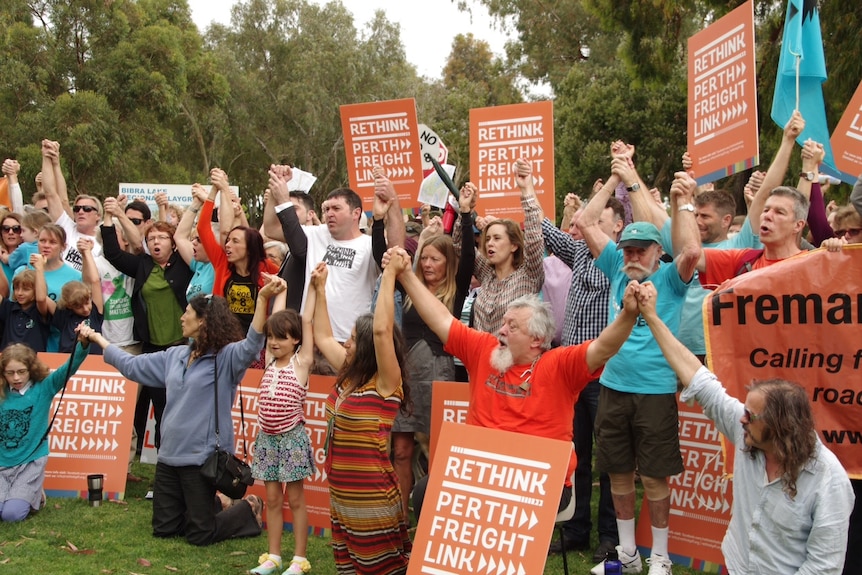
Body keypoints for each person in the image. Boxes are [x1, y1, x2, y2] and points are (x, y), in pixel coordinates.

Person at [384, 246, 641, 525]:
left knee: (496, 504)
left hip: (538, 480)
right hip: (481, 473)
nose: (501, 331)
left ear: (536, 339)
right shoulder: (485, 349)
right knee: (426, 492)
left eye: (512, 327)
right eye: (504, 323)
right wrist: (407, 275)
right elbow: (441, 319)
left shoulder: (560, 365)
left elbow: (604, 348)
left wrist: (628, 314)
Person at [636, 281, 854, 574]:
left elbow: (823, 567)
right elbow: (699, 378)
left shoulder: (829, 481)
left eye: (751, 416)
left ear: (780, 427)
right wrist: (650, 316)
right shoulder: (747, 433)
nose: (741, 420)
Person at [80, 274, 287, 546]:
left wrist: (262, 299)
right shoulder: (174, 356)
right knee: (164, 529)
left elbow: (251, 345)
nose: (181, 317)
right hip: (169, 457)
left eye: (187, 312)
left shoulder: (225, 360)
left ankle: (247, 509)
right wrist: (98, 339)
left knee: (200, 534)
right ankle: (209, 506)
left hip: (201, 460)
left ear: (202, 321)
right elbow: (132, 367)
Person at [578, 166, 700, 575]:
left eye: (641, 250)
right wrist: (614, 180)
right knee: (617, 474)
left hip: (655, 390)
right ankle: (628, 555)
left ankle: (660, 556)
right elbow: (584, 221)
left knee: (654, 477)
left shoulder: (671, 277)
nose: (632, 256)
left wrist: (682, 202)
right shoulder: (614, 265)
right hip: (612, 386)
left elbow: (692, 251)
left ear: (656, 251)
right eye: (628, 249)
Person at [371, 173, 475, 519]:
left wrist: (466, 214)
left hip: (440, 374)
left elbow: (470, 259)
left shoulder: (456, 290)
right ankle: (401, 518)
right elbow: (380, 255)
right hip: (406, 377)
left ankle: (433, 515)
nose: (428, 265)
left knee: (434, 450)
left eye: (435, 259)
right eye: (424, 259)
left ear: (448, 263)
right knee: (400, 451)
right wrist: (377, 220)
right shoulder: (408, 286)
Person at [310, 260, 411, 575]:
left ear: (368, 347)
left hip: (373, 498)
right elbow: (323, 337)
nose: (346, 343)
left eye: (353, 338)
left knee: (380, 569)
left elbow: (382, 329)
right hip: (342, 494)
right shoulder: (348, 373)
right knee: (350, 568)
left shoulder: (386, 384)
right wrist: (320, 289)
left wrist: (390, 274)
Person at [541, 195, 624, 561]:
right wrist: (527, 189)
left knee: (607, 461)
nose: (587, 224)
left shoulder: (620, 261)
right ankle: (575, 530)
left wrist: (619, 178)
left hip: (607, 376)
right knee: (575, 458)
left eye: (599, 219)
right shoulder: (578, 253)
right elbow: (545, 229)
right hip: (572, 377)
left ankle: (609, 536)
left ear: (618, 225)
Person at [248, 306, 316, 575]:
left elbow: (307, 320)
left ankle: (299, 559)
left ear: (296, 340)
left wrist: (315, 287)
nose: (274, 343)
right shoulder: (269, 361)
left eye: (282, 337)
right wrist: (280, 286)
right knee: (273, 499)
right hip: (267, 441)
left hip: (292, 440)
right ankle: (273, 556)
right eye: (271, 338)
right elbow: (274, 313)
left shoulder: (302, 363)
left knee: (296, 499)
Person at [0, 329, 90, 521]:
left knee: (11, 515)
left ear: (30, 369)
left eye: (21, 372)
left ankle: (35, 495)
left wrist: (82, 344)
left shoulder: (45, 386)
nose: (16, 378)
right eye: (10, 373)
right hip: (2, 463)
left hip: (29, 462)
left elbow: (69, 368)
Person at [453, 157, 544, 334]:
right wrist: (465, 210)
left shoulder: (529, 275)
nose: (489, 243)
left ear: (514, 246)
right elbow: (459, 246)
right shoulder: (487, 273)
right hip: (481, 357)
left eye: (497, 238)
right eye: (487, 239)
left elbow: (534, 238)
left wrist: (526, 190)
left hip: (513, 358)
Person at [197, 169, 279, 336]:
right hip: (224, 340)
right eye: (228, 241)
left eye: (235, 241)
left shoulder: (267, 268)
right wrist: (214, 190)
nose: (227, 245)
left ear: (250, 247)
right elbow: (202, 227)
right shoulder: (222, 262)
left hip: (257, 342)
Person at [40, 140, 102, 270]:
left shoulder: (103, 243)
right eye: (77, 208)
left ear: (98, 216)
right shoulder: (66, 227)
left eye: (87, 209)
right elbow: (51, 194)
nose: (81, 212)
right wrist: (48, 158)